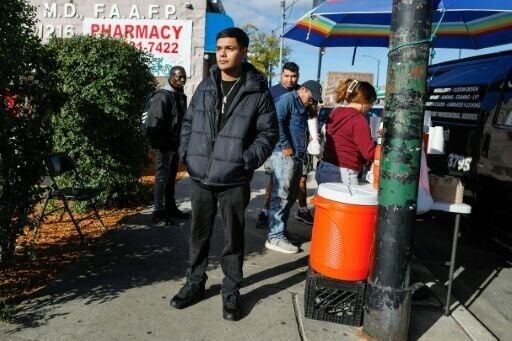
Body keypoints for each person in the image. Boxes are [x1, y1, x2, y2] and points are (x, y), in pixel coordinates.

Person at [170, 27, 278, 321]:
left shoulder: (257, 91)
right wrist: (187, 155)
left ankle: (231, 290)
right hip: (201, 177)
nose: (222, 54)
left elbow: (268, 134)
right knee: (198, 236)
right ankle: (195, 283)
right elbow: (189, 124)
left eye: (229, 48)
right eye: (219, 48)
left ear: (243, 52)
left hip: (233, 178)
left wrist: (245, 161)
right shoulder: (206, 85)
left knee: (233, 239)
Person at [255, 62, 314, 230]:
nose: (290, 80)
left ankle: (301, 211)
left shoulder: (303, 92)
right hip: (279, 148)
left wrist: (312, 135)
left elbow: (311, 116)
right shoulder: (272, 92)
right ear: (281, 75)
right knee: (275, 182)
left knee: (300, 182)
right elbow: (270, 119)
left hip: (299, 147)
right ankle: (265, 213)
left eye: (293, 76)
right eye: (286, 76)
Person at [266, 80, 322, 254]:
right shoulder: (287, 100)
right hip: (284, 155)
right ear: (303, 90)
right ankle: (274, 236)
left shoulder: (303, 104)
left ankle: (280, 230)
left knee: (289, 196)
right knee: (281, 195)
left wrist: (311, 110)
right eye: (311, 98)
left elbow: (310, 120)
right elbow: (276, 121)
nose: (311, 102)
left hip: (296, 155)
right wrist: (284, 145)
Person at [146, 66, 189, 223]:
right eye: (179, 77)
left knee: (171, 178)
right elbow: (154, 123)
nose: (182, 80)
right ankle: (158, 212)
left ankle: (170, 208)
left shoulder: (179, 95)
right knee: (162, 178)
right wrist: (160, 145)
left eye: (184, 77)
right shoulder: (163, 96)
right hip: (164, 146)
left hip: (174, 144)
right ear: (171, 77)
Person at [315, 79, 377, 185]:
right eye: (371, 104)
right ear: (366, 101)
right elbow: (369, 153)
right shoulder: (359, 120)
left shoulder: (335, 112)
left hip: (324, 167)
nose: (370, 108)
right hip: (344, 172)